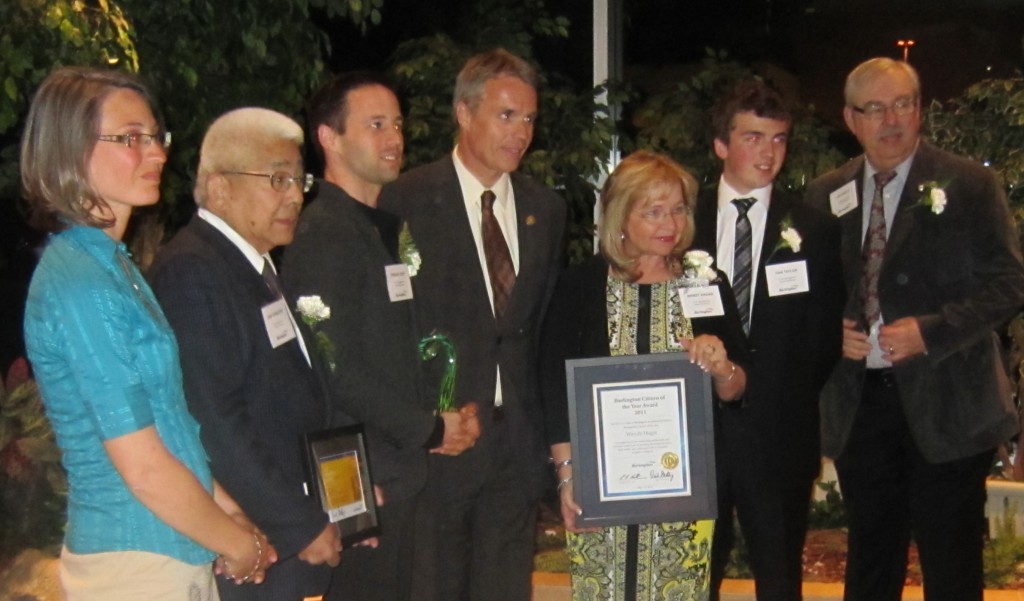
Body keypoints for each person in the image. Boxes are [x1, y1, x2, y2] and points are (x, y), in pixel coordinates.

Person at [21, 67, 274, 601]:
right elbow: (144, 469)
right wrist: (237, 543)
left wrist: (227, 509)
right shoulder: (80, 282)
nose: (156, 153)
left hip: (164, 553)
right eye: (130, 139)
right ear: (68, 149)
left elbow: (168, 426)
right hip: (134, 562)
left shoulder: (113, 266)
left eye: (156, 137)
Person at [804, 57, 1024, 601]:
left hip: (949, 404)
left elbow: (1011, 282)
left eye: (903, 103)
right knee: (871, 566)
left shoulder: (970, 185)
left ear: (919, 109)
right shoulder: (824, 194)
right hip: (861, 408)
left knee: (951, 567)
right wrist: (828, 332)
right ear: (851, 118)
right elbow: (804, 294)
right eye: (875, 108)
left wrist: (932, 331)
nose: (892, 119)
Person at [281, 72, 480, 601]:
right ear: (329, 137)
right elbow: (335, 366)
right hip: (363, 481)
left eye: (396, 124)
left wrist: (446, 411)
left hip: (401, 471)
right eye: (375, 125)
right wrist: (427, 428)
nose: (394, 138)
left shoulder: (380, 226)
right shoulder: (323, 231)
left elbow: (401, 346)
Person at [378, 48, 567, 601]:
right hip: (441, 447)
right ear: (464, 113)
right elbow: (389, 329)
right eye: (506, 116)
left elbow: (540, 331)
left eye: (529, 118)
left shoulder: (545, 209)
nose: (521, 133)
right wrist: (421, 424)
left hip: (515, 446)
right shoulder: (404, 201)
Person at [148, 107, 340, 601]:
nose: (295, 195)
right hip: (257, 545)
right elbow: (216, 419)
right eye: (277, 179)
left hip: (286, 531)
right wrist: (299, 524)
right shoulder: (194, 271)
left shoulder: (252, 264)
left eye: (300, 179)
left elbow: (289, 396)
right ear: (219, 187)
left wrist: (345, 500)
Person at [540, 150, 749, 601]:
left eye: (677, 209)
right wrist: (567, 477)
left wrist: (721, 367)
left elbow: (737, 390)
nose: (669, 223)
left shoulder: (704, 281)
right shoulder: (581, 285)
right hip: (600, 489)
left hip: (685, 494)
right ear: (620, 215)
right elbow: (556, 387)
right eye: (652, 211)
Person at [692, 80, 844, 601]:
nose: (768, 152)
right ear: (721, 145)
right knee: (694, 577)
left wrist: (761, 397)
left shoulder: (815, 229)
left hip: (780, 436)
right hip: (698, 435)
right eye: (753, 137)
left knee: (780, 581)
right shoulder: (678, 223)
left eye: (778, 139)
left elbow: (822, 344)